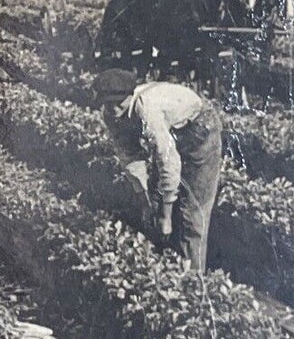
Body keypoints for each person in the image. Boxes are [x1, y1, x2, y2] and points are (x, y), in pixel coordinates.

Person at [93, 67, 223, 274]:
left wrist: (166, 216)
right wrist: (145, 203)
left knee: (192, 212)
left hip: (200, 130)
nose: (114, 109)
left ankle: (193, 282)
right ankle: (167, 270)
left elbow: (167, 160)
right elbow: (130, 159)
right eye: (108, 104)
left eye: (119, 102)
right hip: (172, 131)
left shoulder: (147, 111)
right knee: (155, 201)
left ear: (130, 95)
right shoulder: (110, 115)